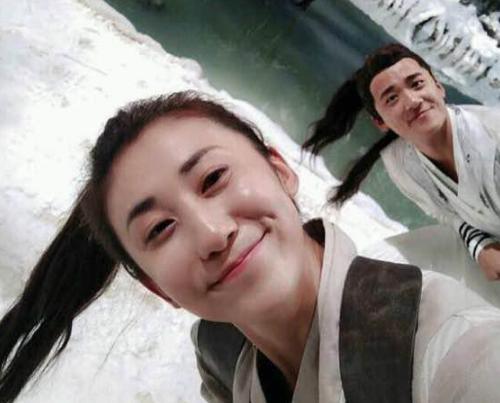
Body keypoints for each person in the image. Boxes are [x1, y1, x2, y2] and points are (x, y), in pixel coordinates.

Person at [1, 91, 500, 403]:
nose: (212, 234)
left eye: (213, 178)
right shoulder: (222, 355)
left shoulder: (460, 352)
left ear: (280, 172)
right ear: (157, 287)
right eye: (160, 229)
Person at [303, 43, 500, 281]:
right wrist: (480, 248)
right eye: (392, 98)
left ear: (438, 86)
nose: (412, 101)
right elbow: (450, 215)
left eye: (417, 84)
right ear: (380, 121)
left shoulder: (493, 133)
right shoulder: (400, 163)